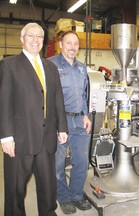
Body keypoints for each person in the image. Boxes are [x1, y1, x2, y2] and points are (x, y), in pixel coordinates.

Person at [0, 23, 68, 216]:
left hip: (46, 140)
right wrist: (6, 137)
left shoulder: (50, 67)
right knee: (16, 188)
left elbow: (57, 100)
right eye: (31, 36)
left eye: (39, 36)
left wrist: (62, 127)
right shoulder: (9, 65)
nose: (35, 40)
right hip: (20, 141)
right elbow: (3, 102)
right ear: (22, 39)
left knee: (48, 187)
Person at [49, 31, 92, 214]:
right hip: (61, 120)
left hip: (79, 120)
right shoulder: (50, 64)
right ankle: (64, 197)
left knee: (82, 161)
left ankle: (76, 195)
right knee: (58, 163)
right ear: (61, 44)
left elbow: (84, 95)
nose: (72, 47)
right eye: (68, 43)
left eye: (75, 44)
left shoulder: (82, 68)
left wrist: (86, 115)